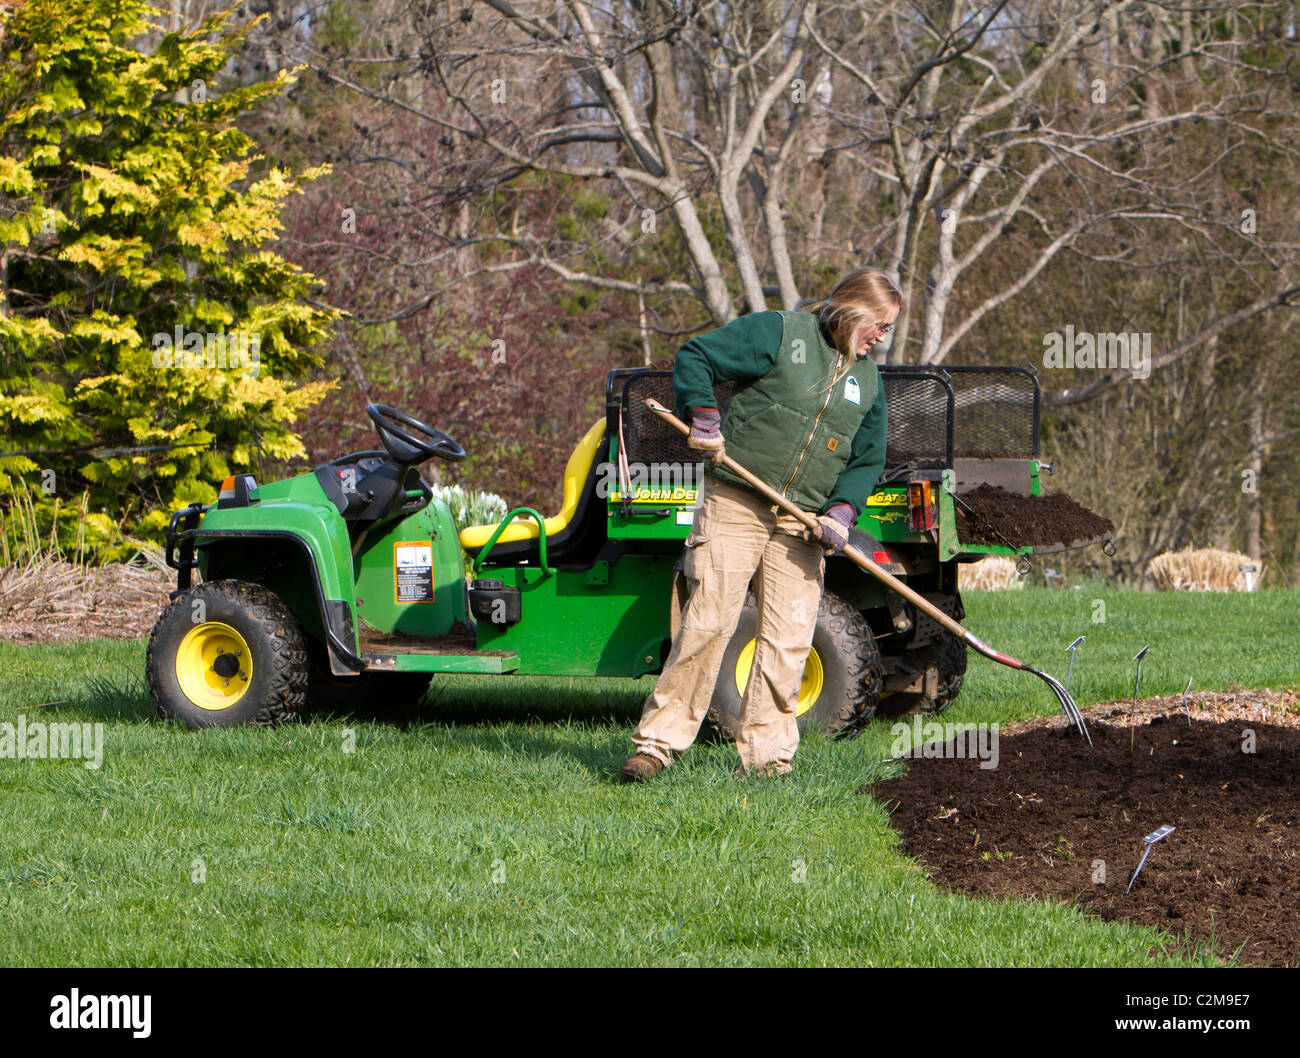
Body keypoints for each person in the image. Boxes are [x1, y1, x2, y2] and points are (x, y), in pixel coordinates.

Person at [621, 267, 898, 782]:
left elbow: (868, 456)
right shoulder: (780, 332)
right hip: (737, 500)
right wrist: (704, 417)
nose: (883, 337)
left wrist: (841, 512)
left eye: (888, 328)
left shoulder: (868, 379)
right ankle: (657, 746)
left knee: (790, 638)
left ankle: (767, 760)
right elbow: (696, 356)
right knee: (707, 623)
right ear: (852, 311)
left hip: (803, 522)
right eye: (879, 324)